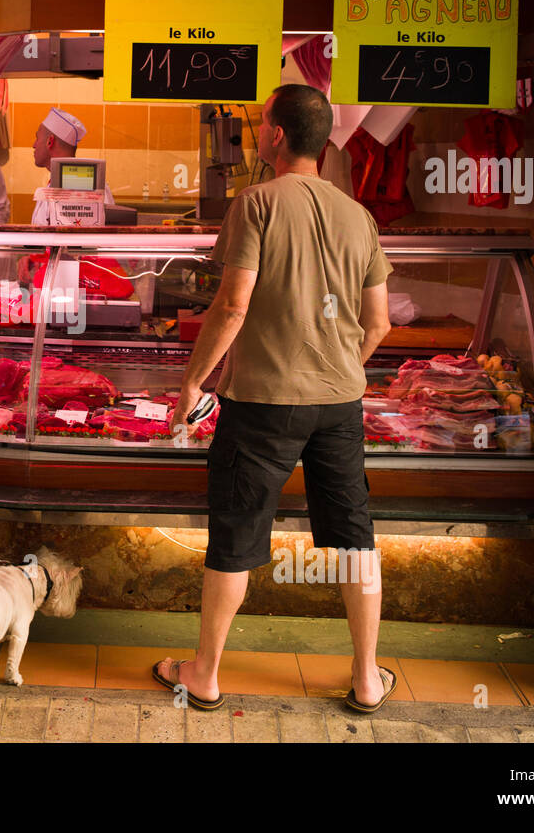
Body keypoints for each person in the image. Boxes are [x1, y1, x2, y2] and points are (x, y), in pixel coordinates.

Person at [156, 84, 395, 714]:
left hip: (262, 403)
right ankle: (368, 677)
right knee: (354, 538)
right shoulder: (358, 215)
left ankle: (204, 675)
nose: (259, 133)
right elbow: (379, 325)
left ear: (278, 134)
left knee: (236, 534)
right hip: (339, 405)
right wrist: (341, 366)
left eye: (262, 123)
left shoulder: (256, 202)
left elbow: (232, 304)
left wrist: (192, 383)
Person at [29, 107, 115, 225]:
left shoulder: (86, 182)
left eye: (37, 138)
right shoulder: (54, 182)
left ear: (50, 142)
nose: (33, 145)